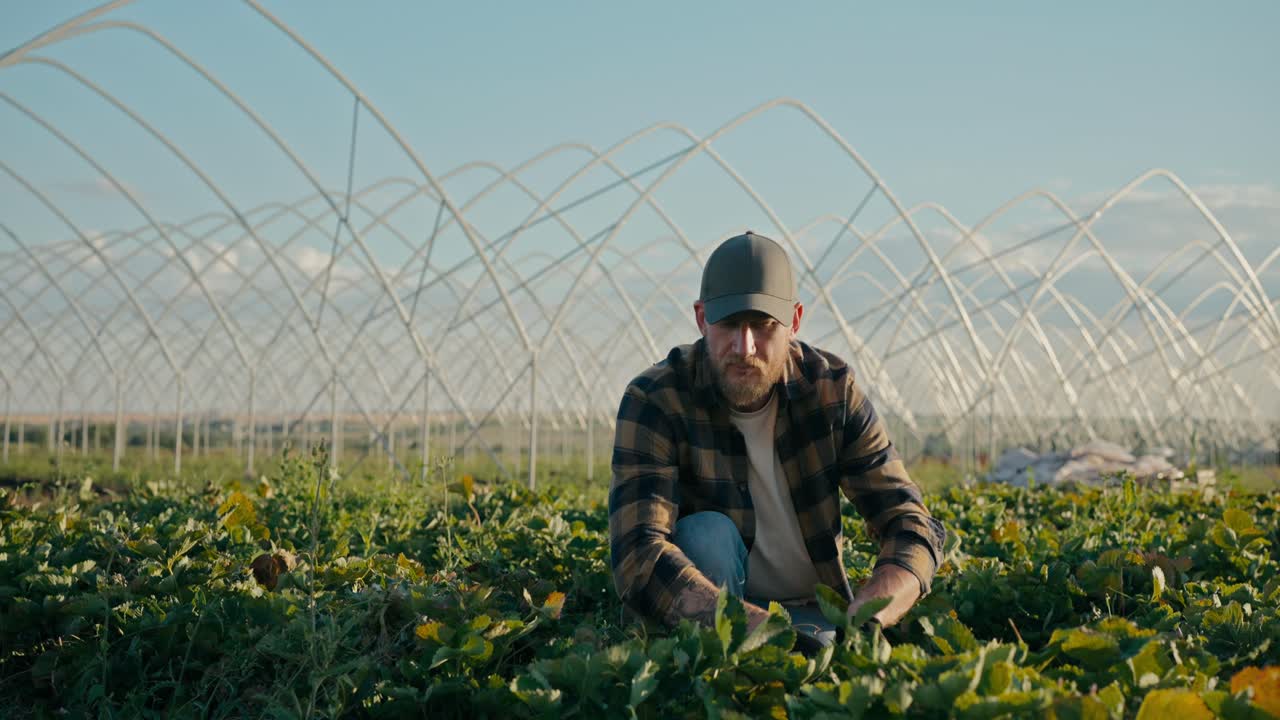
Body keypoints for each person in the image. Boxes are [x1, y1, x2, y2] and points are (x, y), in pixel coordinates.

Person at [608, 231, 947, 648]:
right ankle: (716, 666)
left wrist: (867, 615)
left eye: (764, 326)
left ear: (795, 321)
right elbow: (638, 555)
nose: (744, 346)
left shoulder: (831, 392)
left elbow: (911, 523)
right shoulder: (657, 399)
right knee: (706, 536)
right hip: (711, 615)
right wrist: (761, 632)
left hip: (810, 611)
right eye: (729, 324)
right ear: (701, 319)